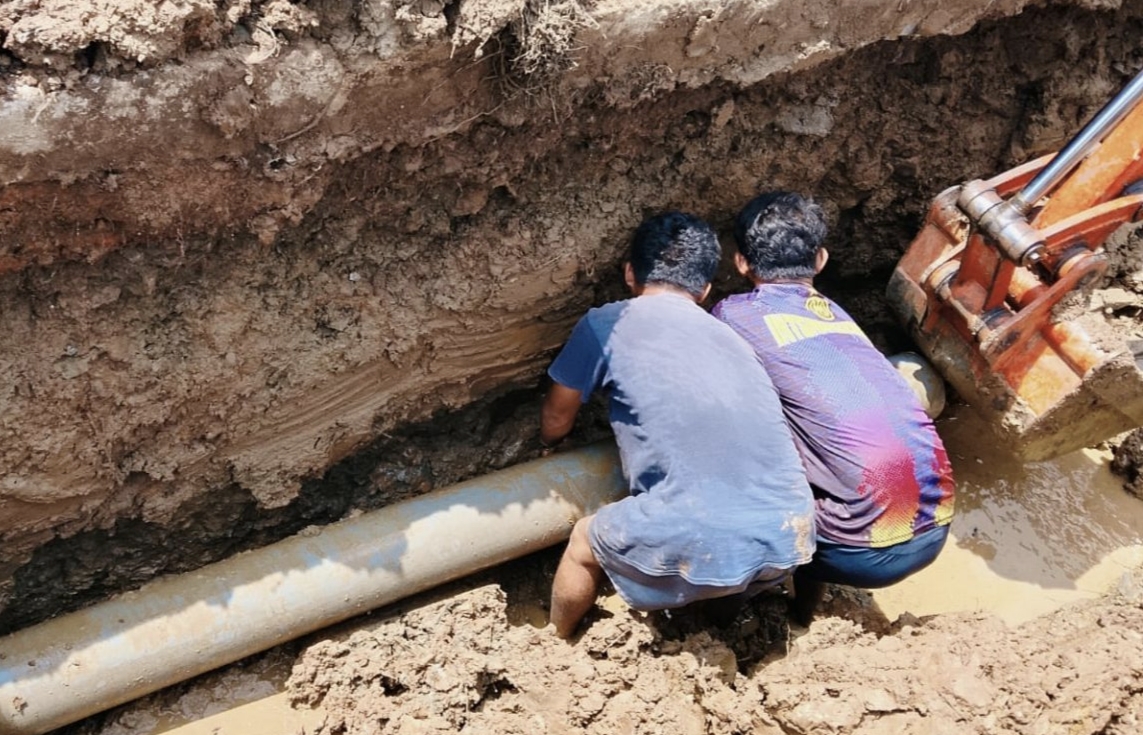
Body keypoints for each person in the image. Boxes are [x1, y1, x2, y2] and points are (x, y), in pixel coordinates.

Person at [541, 211, 816, 639]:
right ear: (704, 290)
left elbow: (558, 416)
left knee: (583, 542)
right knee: (728, 563)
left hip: (698, 536)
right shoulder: (731, 334)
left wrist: (549, 445)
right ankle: (722, 617)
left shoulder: (604, 325)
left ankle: (555, 640)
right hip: (792, 533)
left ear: (629, 273)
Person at [711, 191, 956, 626]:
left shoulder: (732, 314)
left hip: (856, 551)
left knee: (740, 503)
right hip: (939, 523)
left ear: (741, 263)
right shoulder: (834, 312)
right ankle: (802, 614)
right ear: (821, 259)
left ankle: (718, 619)